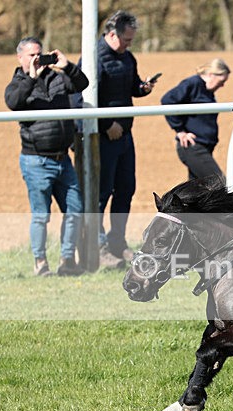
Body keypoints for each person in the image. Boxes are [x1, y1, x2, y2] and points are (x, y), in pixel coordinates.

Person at [80, 10, 158, 268]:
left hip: (125, 135)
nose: (128, 45)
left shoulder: (128, 58)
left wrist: (142, 88)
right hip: (104, 137)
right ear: (111, 34)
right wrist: (105, 125)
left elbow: (131, 88)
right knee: (101, 193)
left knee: (126, 189)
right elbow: (85, 98)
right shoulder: (92, 59)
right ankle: (99, 247)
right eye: (126, 40)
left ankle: (118, 242)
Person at [5, 37, 88, 277]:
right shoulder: (18, 83)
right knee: (41, 216)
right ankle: (40, 263)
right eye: (31, 55)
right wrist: (31, 77)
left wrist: (67, 66)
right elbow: (13, 102)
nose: (37, 59)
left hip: (64, 159)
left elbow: (83, 83)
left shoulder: (57, 78)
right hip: (36, 161)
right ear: (20, 58)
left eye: (39, 54)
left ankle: (67, 260)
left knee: (75, 210)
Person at [160, 59, 231, 181]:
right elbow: (167, 100)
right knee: (219, 183)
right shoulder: (193, 83)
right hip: (193, 147)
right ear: (211, 75)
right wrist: (180, 131)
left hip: (205, 147)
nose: (222, 85)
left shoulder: (208, 91)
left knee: (198, 192)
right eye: (221, 81)